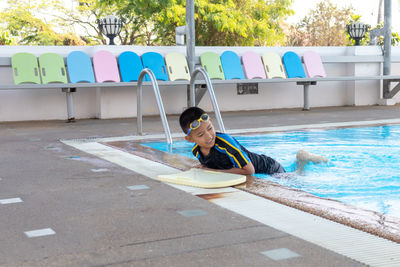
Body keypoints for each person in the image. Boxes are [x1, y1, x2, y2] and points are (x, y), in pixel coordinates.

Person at [179, 107, 328, 175]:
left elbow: (249, 171)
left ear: (211, 122)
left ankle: (302, 159)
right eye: (200, 135)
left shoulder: (225, 143)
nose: (209, 136)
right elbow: (209, 163)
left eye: (210, 128)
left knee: (295, 178)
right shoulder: (196, 151)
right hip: (258, 167)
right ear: (189, 139)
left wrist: (214, 171)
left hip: (269, 167)